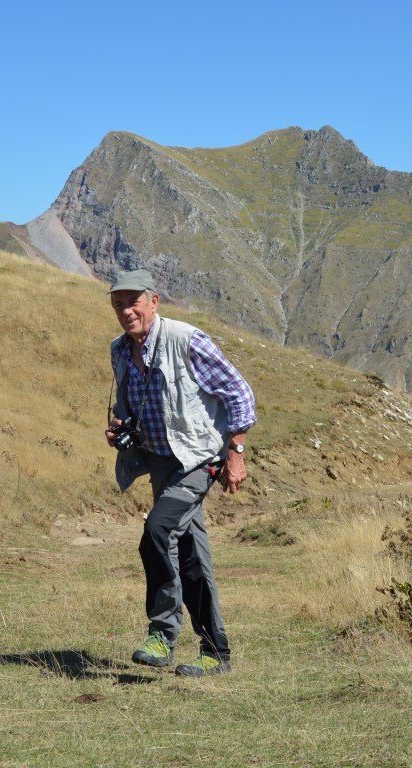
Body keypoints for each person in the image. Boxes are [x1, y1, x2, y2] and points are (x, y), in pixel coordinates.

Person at [104, 268, 255, 677]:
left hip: (198, 459)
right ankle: (215, 653)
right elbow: (127, 403)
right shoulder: (119, 350)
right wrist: (120, 426)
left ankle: (162, 632)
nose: (126, 310)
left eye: (134, 301)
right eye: (119, 304)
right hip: (159, 462)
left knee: (158, 532)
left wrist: (236, 453)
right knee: (190, 555)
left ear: (154, 301)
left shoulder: (187, 340)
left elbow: (240, 394)